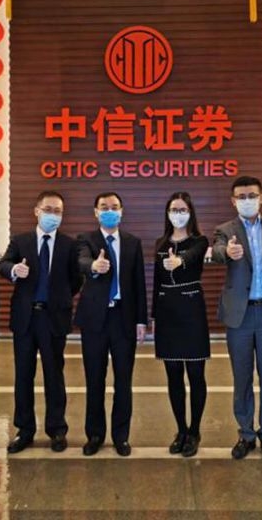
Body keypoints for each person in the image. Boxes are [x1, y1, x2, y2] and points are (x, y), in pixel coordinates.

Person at [212, 175, 262, 461]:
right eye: (241, 197)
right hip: (240, 315)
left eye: (252, 196)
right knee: (242, 376)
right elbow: (217, 251)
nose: (247, 200)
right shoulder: (225, 230)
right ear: (233, 201)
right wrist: (227, 252)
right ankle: (246, 433)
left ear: (261, 198)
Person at [0, 191, 82, 454]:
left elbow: (76, 281)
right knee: (23, 374)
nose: (52, 215)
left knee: (54, 375)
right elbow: (3, 264)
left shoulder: (70, 245)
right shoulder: (20, 241)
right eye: (48, 210)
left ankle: (57, 429)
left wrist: (60, 299)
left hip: (53, 318)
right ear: (36, 211)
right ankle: (24, 430)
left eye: (58, 211)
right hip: (26, 317)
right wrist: (14, 270)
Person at [75, 191, 148, 457]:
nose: (109, 211)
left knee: (123, 381)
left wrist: (141, 320)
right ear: (96, 212)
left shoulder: (132, 242)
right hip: (95, 320)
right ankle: (94, 435)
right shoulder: (86, 239)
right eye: (104, 207)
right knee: (94, 379)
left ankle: (121, 436)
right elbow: (81, 260)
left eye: (114, 207)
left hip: (123, 319)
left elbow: (139, 283)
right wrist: (94, 266)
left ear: (122, 211)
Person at [152, 192, 210, 458]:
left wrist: (180, 260)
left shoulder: (199, 241)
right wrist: (154, 316)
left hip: (192, 310)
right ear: (167, 213)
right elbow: (157, 282)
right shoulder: (160, 243)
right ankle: (181, 430)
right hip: (167, 313)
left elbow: (194, 255)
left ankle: (195, 431)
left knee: (196, 374)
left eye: (182, 209)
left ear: (190, 212)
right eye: (174, 209)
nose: (178, 214)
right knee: (173, 374)